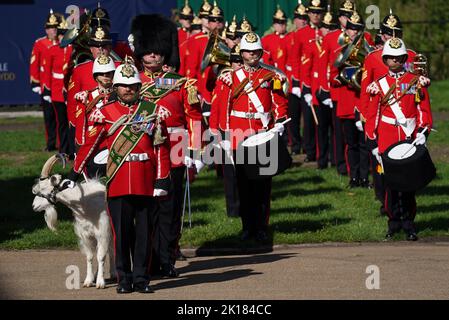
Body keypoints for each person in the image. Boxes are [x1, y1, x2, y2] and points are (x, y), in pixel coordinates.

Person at [62, 58, 171, 294]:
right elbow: (90, 145)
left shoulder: (152, 112)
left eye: (132, 85)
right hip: (118, 180)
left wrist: (162, 179)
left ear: (139, 87)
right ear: (117, 87)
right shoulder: (105, 112)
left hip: (145, 180)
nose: (128, 89)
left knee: (144, 234)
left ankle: (142, 279)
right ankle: (124, 279)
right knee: (120, 234)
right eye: (123, 85)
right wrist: (75, 171)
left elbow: (161, 148)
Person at [130, 14, 204, 278]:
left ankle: (167, 259)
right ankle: (147, 261)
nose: (153, 56)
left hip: (175, 150)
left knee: (169, 212)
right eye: (148, 52)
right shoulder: (133, 83)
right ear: (141, 54)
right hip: (144, 151)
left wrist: (194, 150)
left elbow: (193, 117)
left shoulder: (180, 83)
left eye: (158, 52)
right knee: (145, 211)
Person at [365, 38, 433, 241]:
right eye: (390, 58)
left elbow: (423, 110)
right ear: (385, 59)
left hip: (409, 136)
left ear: (404, 58)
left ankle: (409, 223)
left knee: (409, 184)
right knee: (390, 184)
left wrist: (423, 132)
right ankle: (393, 221)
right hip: (386, 138)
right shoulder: (378, 85)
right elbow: (373, 115)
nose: (395, 61)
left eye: (398, 58)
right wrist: (373, 142)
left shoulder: (415, 81)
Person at [225, 32, 288, 242]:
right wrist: (224, 136)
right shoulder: (230, 78)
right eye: (248, 51)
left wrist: (279, 123)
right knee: (243, 185)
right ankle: (247, 227)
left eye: (255, 51)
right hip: (239, 134)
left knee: (263, 185)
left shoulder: (271, 77)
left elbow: (280, 103)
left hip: (263, 133)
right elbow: (225, 108)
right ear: (241, 53)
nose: (252, 55)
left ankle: (262, 226)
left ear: (260, 53)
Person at [302, 5, 338, 169]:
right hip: (318, 91)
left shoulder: (337, 44)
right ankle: (322, 159)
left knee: (336, 129)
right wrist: (307, 89)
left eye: (331, 28)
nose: (328, 31)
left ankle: (335, 157)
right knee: (321, 129)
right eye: (325, 27)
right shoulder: (313, 44)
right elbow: (306, 68)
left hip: (334, 91)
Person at [209, 45, 244, 218]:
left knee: (246, 174)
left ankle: (247, 208)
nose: (238, 64)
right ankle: (232, 210)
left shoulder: (248, 79)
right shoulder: (224, 80)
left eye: (240, 61)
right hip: (226, 132)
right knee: (230, 175)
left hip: (244, 132)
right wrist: (215, 131)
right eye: (235, 61)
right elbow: (216, 106)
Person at [73, 54, 116, 178]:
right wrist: (80, 148)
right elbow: (81, 126)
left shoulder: (119, 96)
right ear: (96, 76)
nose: (106, 76)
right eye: (102, 73)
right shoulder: (85, 97)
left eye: (109, 73)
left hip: (113, 142)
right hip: (92, 145)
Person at [41, 14, 74, 157]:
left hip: (70, 89)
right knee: (61, 122)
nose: (61, 38)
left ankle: (73, 150)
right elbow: (47, 72)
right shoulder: (52, 50)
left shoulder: (73, 49)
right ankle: (63, 150)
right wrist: (47, 91)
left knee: (72, 122)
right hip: (56, 90)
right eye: (60, 36)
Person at [30, 9, 60, 152]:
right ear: (46, 29)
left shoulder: (62, 43)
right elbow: (34, 63)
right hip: (46, 85)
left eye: (55, 27)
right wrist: (35, 82)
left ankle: (62, 144)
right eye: (50, 28)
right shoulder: (40, 43)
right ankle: (50, 144)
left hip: (59, 85)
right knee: (49, 117)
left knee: (61, 117)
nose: (53, 30)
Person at [286, 0, 309, 155]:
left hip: (306, 81)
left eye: (304, 17)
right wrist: (294, 81)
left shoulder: (312, 34)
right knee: (293, 116)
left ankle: (307, 147)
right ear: (295, 20)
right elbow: (292, 60)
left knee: (307, 119)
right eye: (300, 17)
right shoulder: (290, 37)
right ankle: (295, 145)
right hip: (292, 82)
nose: (303, 20)